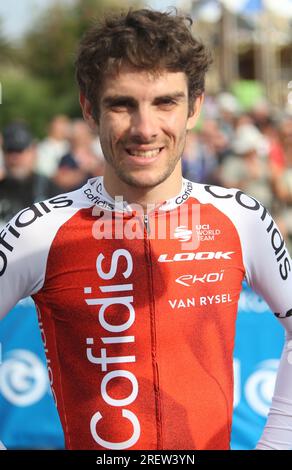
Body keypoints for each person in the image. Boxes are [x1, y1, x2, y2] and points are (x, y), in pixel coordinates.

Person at [0, 9, 291, 451]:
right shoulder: (38, 231)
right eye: (122, 104)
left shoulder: (242, 218)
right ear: (89, 109)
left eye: (165, 102)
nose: (145, 129)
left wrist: (276, 444)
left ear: (194, 107)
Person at [0, 122, 58, 226]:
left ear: (33, 151)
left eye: (20, 150)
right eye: (9, 150)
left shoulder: (49, 188)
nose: (14, 157)